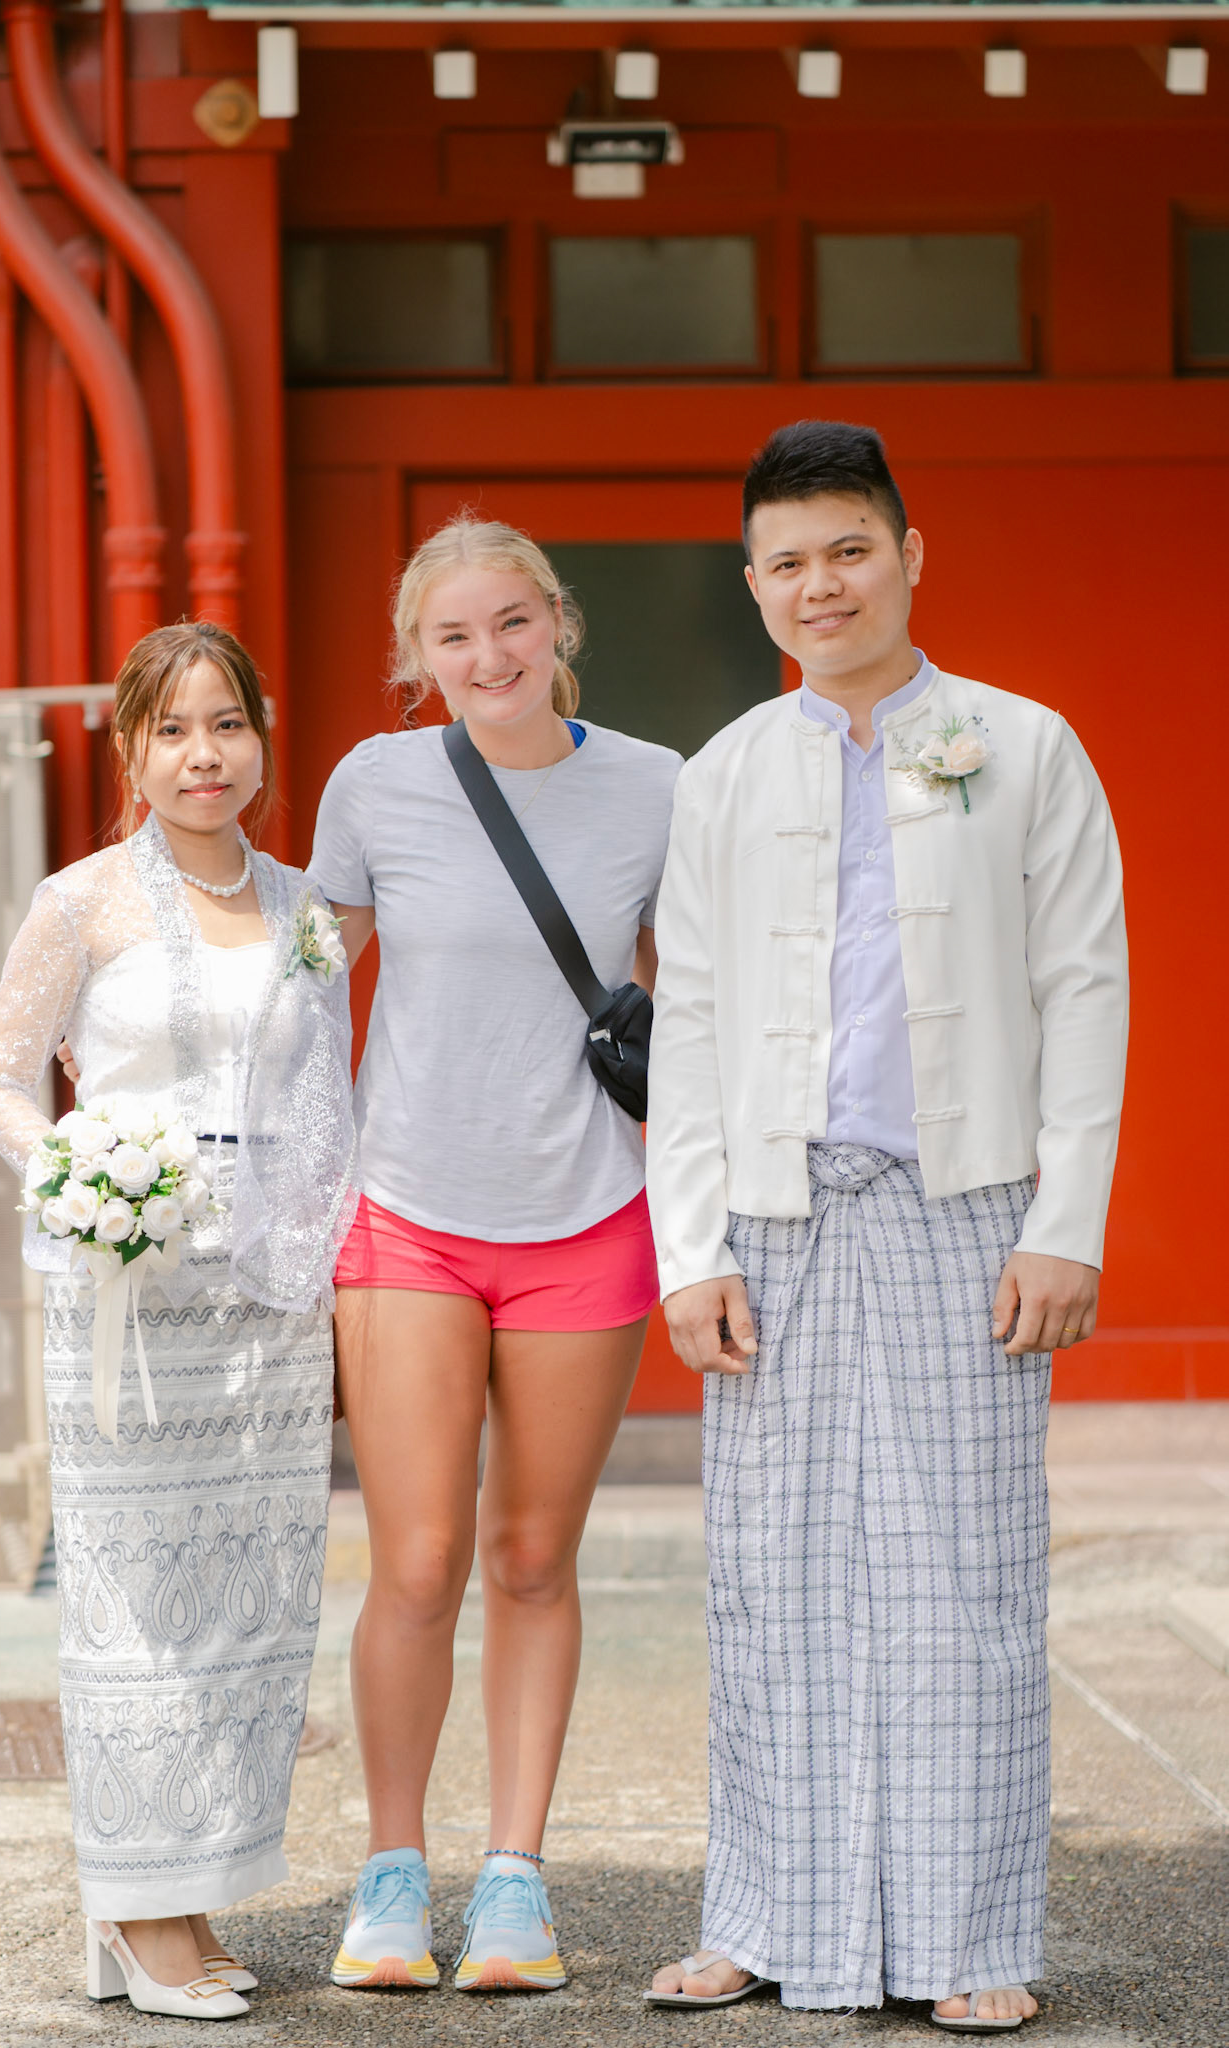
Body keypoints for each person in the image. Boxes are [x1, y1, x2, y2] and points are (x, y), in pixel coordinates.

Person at [644, 422, 1128, 2031]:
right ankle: (761, 1917)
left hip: (965, 1211)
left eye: (848, 549)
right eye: (787, 562)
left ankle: (970, 1938)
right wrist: (693, 1249)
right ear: (753, 585)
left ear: (910, 555)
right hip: (774, 1220)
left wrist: (1067, 1223)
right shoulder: (725, 771)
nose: (821, 585)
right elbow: (690, 1020)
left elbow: (1086, 991)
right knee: (769, 1583)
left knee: (965, 1584)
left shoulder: (1023, 745)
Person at [0, 622, 357, 2021]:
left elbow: (331, 1099)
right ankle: (136, 1906)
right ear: (130, 750)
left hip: (272, 1301)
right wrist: (82, 1174)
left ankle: (181, 1893)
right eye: (172, 730)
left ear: (261, 738)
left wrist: (335, 1273)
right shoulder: (80, 902)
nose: (205, 755)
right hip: (130, 1296)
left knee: (250, 1600)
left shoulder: (309, 907)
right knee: (135, 1603)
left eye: (227, 724)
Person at [308, 517, 680, 1993]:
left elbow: (697, 993)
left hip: (585, 1215)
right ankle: (393, 1873)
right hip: (406, 1213)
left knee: (532, 1558)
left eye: (512, 623)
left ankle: (516, 1880)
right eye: (454, 636)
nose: (490, 657)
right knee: (417, 1560)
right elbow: (298, 987)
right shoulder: (375, 784)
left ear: (558, 622)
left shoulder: (654, 785)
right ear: (420, 657)